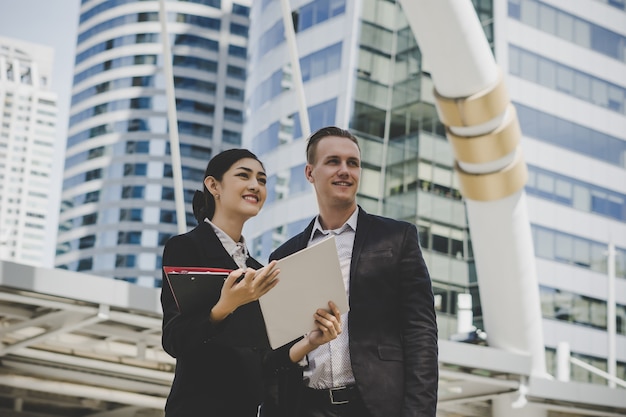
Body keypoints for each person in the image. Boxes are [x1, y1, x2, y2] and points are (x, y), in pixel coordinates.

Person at [264, 127, 439, 417]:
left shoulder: (397, 238)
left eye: (353, 163)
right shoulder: (284, 256)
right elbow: (277, 351)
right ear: (310, 173)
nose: (345, 170)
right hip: (305, 406)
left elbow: (421, 334)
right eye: (333, 161)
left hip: (375, 407)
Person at [160, 148, 342, 417]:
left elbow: (265, 364)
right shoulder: (187, 248)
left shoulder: (259, 270)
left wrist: (310, 342)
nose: (255, 186)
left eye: (262, 180)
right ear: (214, 185)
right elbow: (174, 340)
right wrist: (224, 306)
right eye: (244, 176)